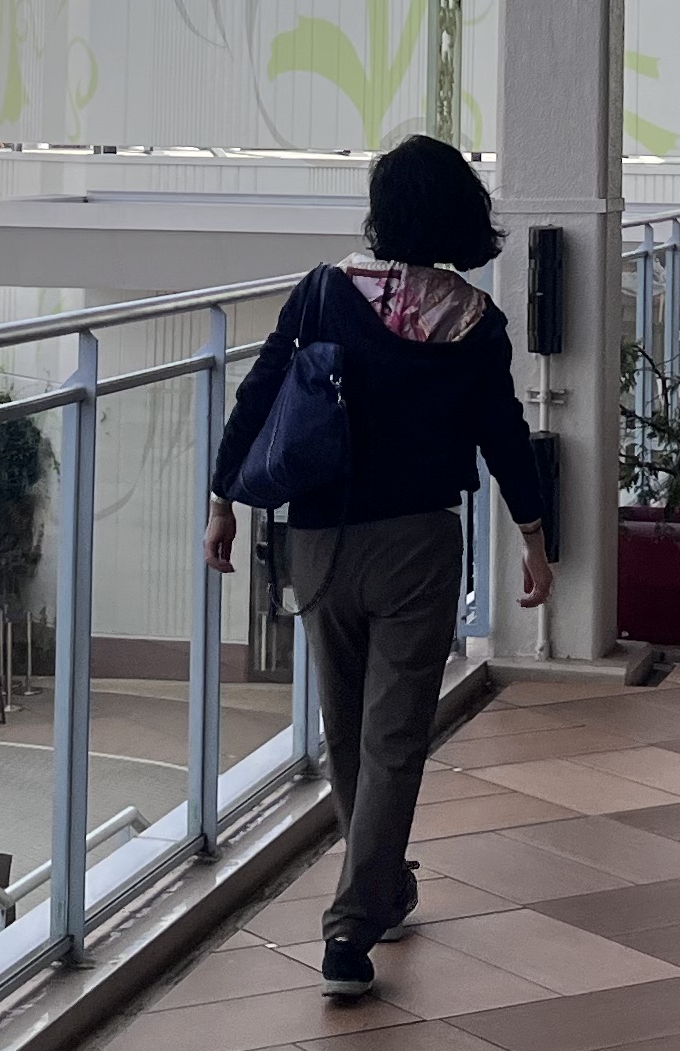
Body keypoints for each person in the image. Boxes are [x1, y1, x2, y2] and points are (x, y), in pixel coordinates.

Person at [205, 136, 550, 1000]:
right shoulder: (474, 321)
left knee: (349, 731)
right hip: (419, 550)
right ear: (458, 215)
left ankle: (376, 893)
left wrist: (223, 499)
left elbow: (261, 392)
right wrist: (534, 535)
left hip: (320, 539)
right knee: (393, 739)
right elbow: (503, 434)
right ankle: (354, 924)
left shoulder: (323, 293)